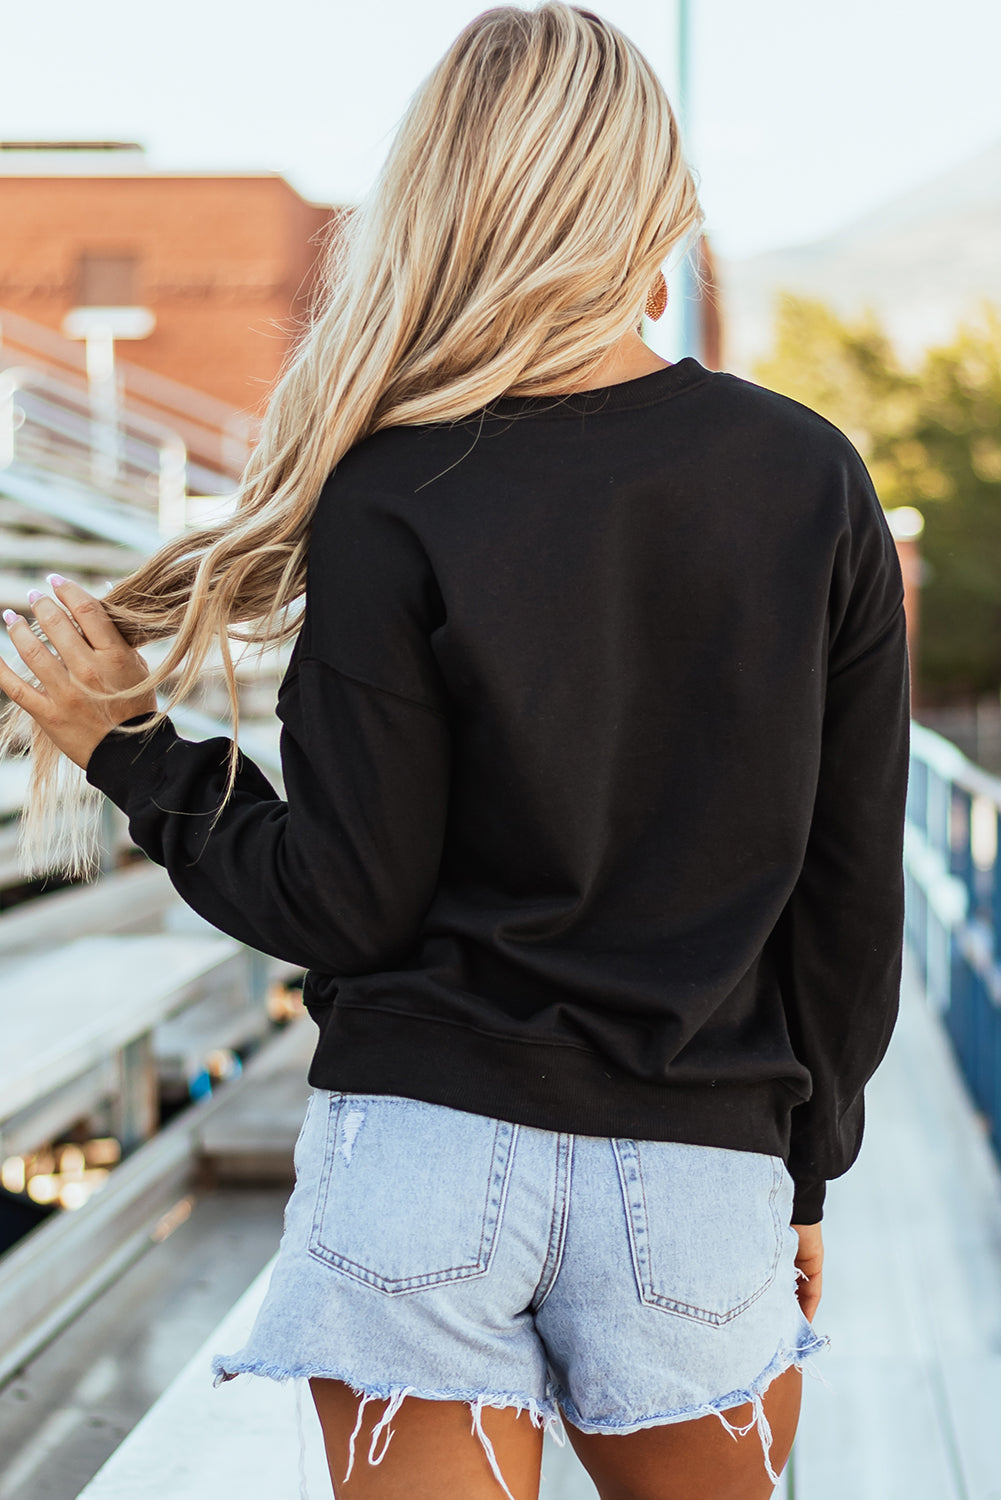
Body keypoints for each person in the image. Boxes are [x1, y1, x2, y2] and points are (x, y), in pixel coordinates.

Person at [0, 4, 910, 1497]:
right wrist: (806, 1167)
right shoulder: (807, 477)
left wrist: (134, 754)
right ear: (651, 199)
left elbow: (343, 899)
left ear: (445, 199)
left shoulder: (392, 488)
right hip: (696, 1168)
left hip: (422, 1160)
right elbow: (845, 895)